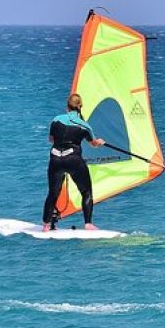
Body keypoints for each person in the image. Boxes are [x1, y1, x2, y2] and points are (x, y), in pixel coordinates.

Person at [42, 94, 105, 231]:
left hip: (55, 159)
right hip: (73, 160)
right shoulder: (84, 126)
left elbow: (51, 139)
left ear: (67, 106)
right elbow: (93, 144)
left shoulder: (56, 119)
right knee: (86, 192)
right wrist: (99, 142)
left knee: (53, 193)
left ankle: (46, 225)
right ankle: (88, 224)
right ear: (80, 107)